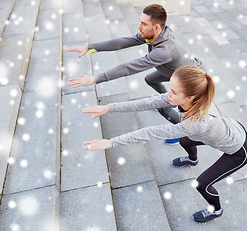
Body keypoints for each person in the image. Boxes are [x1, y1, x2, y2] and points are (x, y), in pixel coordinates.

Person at [80, 66, 247, 223]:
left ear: (189, 97)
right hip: (227, 131)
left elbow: (150, 132)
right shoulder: (188, 100)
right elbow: (147, 102)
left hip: (239, 150)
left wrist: (111, 142)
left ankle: (216, 210)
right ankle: (193, 160)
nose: (168, 95)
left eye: (173, 92)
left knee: (202, 184)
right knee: (185, 140)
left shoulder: (195, 123)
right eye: (170, 89)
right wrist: (109, 107)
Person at [65, 4, 203, 145]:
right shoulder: (156, 34)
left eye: (143, 23)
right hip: (174, 71)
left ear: (156, 27)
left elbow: (129, 67)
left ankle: (178, 131)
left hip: (188, 80)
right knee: (150, 79)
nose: (139, 27)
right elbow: (123, 42)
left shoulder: (164, 50)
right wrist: (90, 47)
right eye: (140, 22)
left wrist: (96, 78)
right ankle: (171, 103)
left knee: (163, 109)